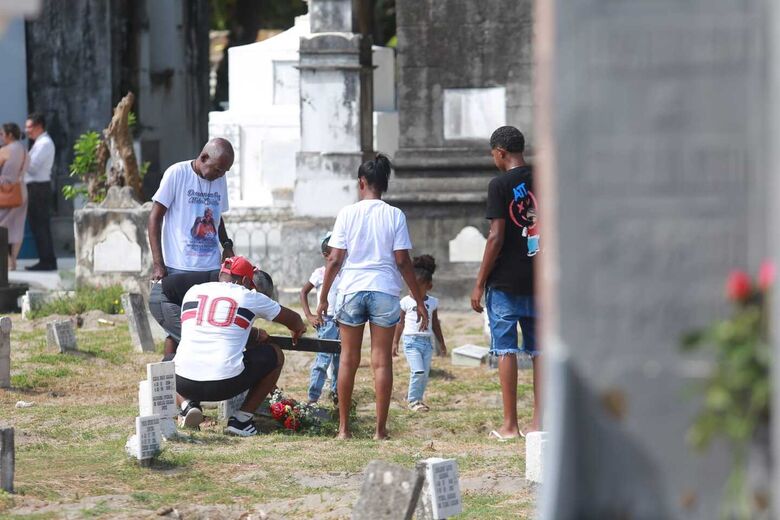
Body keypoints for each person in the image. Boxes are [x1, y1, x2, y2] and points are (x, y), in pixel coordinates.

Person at [316, 154, 429, 440]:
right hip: (384, 289)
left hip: (352, 288)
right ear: (384, 184)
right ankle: (380, 430)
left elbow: (335, 259)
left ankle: (344, 429)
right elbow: (403, 261)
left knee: (347, 360)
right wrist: (418, 299)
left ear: (362, 182)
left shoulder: (347, 213)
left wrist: (323, 297)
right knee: (381, 361)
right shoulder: (394, 215)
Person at [174, 256, 306, 436]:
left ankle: (187, 406)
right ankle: (241, 420)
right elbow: (294, 320)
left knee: (167, 362)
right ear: (245, 281)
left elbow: (214, 326)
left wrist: (254, 333)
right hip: (223, 384)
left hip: (184, 384)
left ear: (221, 274)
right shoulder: (248, 295)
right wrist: (298, 329)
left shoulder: (193, 291)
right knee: (275, 354)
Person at [470, 126, 540, 439]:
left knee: (506, 350)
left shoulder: (499, 184)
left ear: (500, 152)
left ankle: (510, 425)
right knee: (541, 353)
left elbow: (496, 236)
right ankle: (540, 423)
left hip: (505, 282)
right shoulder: (545, 179)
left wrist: (479, 282)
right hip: (540, 280)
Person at [148, 138, 236, 282]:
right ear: (204, 158)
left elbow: (217, 218)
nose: (221, 175)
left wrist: (226, 245)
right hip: (179, 267)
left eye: (225, 171)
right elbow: (155, 218)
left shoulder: (220, 179)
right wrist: (158, 264)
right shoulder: (177, 173)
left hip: (212, 268)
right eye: (218, 170)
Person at [149, 265, 275, 361]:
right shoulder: (229, 287)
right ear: (251, 285)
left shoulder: (235, 282)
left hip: (172, 297)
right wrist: (254, 333)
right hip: (164, 297)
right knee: (199, 343)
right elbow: (223, 327)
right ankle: (167, 382)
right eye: (259, 296)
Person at [392, 255, 447, 412]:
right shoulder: (405, 302)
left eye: (418, 287)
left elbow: (435, 323)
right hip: (411, 342)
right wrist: (395, 342)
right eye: (410, 286)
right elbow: (400, 323)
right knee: (418, 371)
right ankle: (413, 401)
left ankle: (418, 400)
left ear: (429, 286)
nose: (413, 290)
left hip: (427, 343)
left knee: (424, 374)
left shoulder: (433, 302)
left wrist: (441, 343)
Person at [300, 232, 342, 405]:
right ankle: (313, 398)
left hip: (344, 321)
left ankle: (337, 395)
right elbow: (303, 292)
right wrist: (309, 315)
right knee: (323, 360)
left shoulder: (345, 272)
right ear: (326, 255)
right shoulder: (320, 273)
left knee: (341, 361)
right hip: (326, 322)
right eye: (336, 252)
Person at [24, 113, 57, 271]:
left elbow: (33, 167)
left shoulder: (44, 143)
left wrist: (21, 158)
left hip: (38, 187)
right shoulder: (38, 143)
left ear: (38, 126)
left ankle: (47, 260)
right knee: (37, 225)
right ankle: (46, 259)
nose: (27, 130)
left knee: (40, 225)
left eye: (29, 127)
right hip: (35, 187)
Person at [0, 123, 29, 271]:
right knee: (17, 226)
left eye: (2, 134)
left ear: (9, 135)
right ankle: (14, 260)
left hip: (5, 192)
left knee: (1, 226)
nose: (1, 137)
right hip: (21, 190)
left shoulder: (5, 151)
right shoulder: (24, 150)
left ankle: (7, 259)